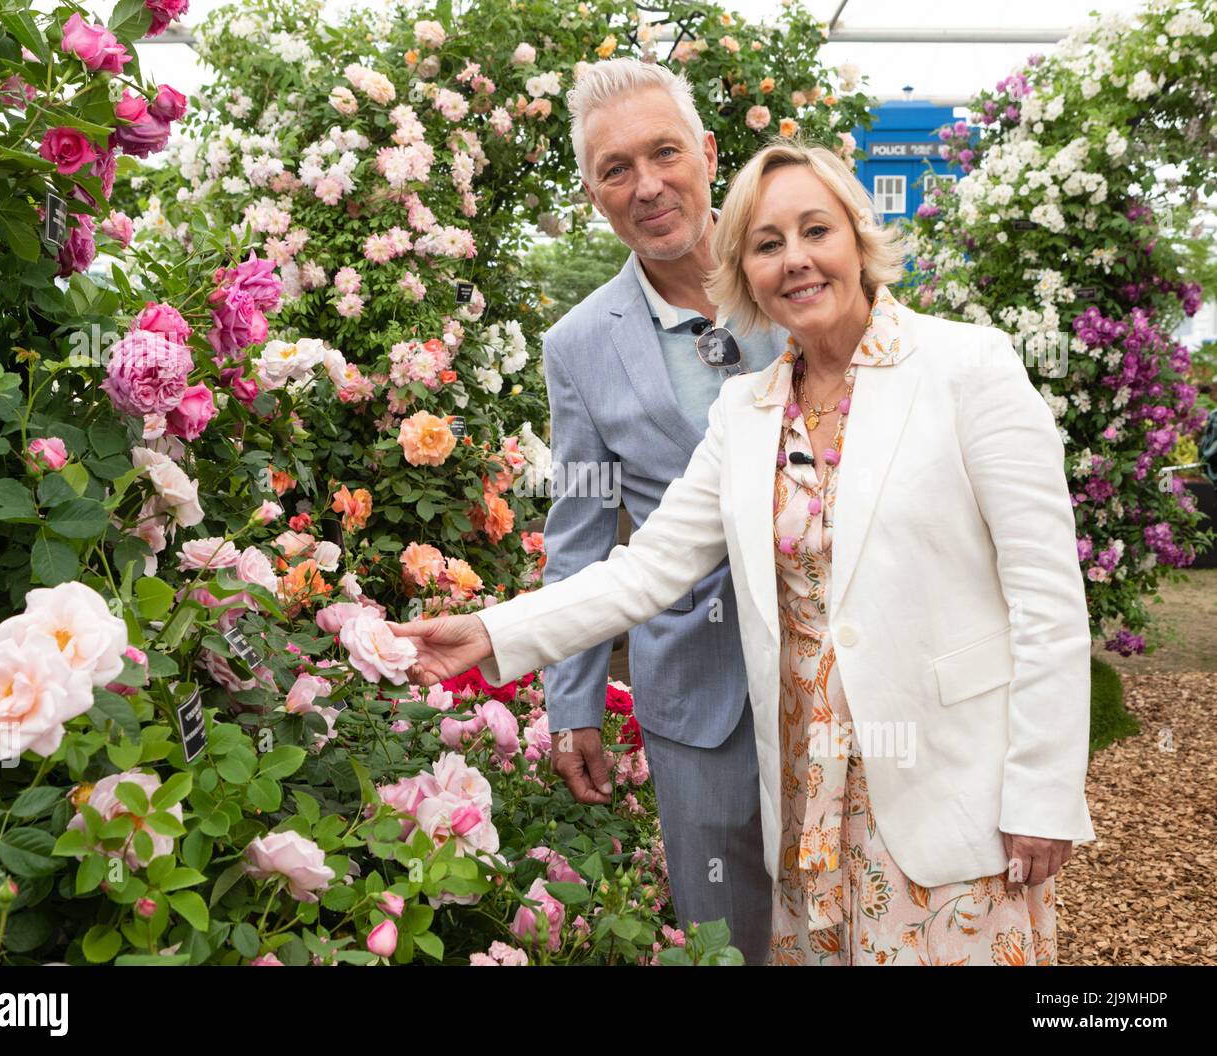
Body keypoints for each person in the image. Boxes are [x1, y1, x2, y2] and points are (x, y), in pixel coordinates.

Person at [389, 139, 1096, 965]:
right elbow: (647, 569)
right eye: (767, 244)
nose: (795, 260)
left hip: (947, 786)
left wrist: (1042, 791)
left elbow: (1047, 599)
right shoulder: (747, 412)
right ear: (744, 273)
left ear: (858, 239)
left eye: (815, 231)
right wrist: (490, 635)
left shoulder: (967, 367)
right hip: (806, 798)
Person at [510, 59, 785, 963]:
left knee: (858, 899)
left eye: (664, 152)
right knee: (726, 933)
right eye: (615, 168)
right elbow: (581, 532)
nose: (647, 185)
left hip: (847, 667)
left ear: (708, 153)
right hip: (696, 690)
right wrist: (573, 704)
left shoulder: (804, 276)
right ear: (593, 193)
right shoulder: (581, 345)